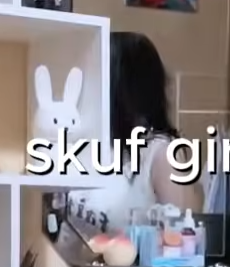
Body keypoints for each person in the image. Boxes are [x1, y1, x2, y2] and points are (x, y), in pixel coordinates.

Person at [67, 31, 202, 235]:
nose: (87, 88)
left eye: (95, 77)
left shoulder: (161, 154)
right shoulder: (97, 148)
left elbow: (178, 241)